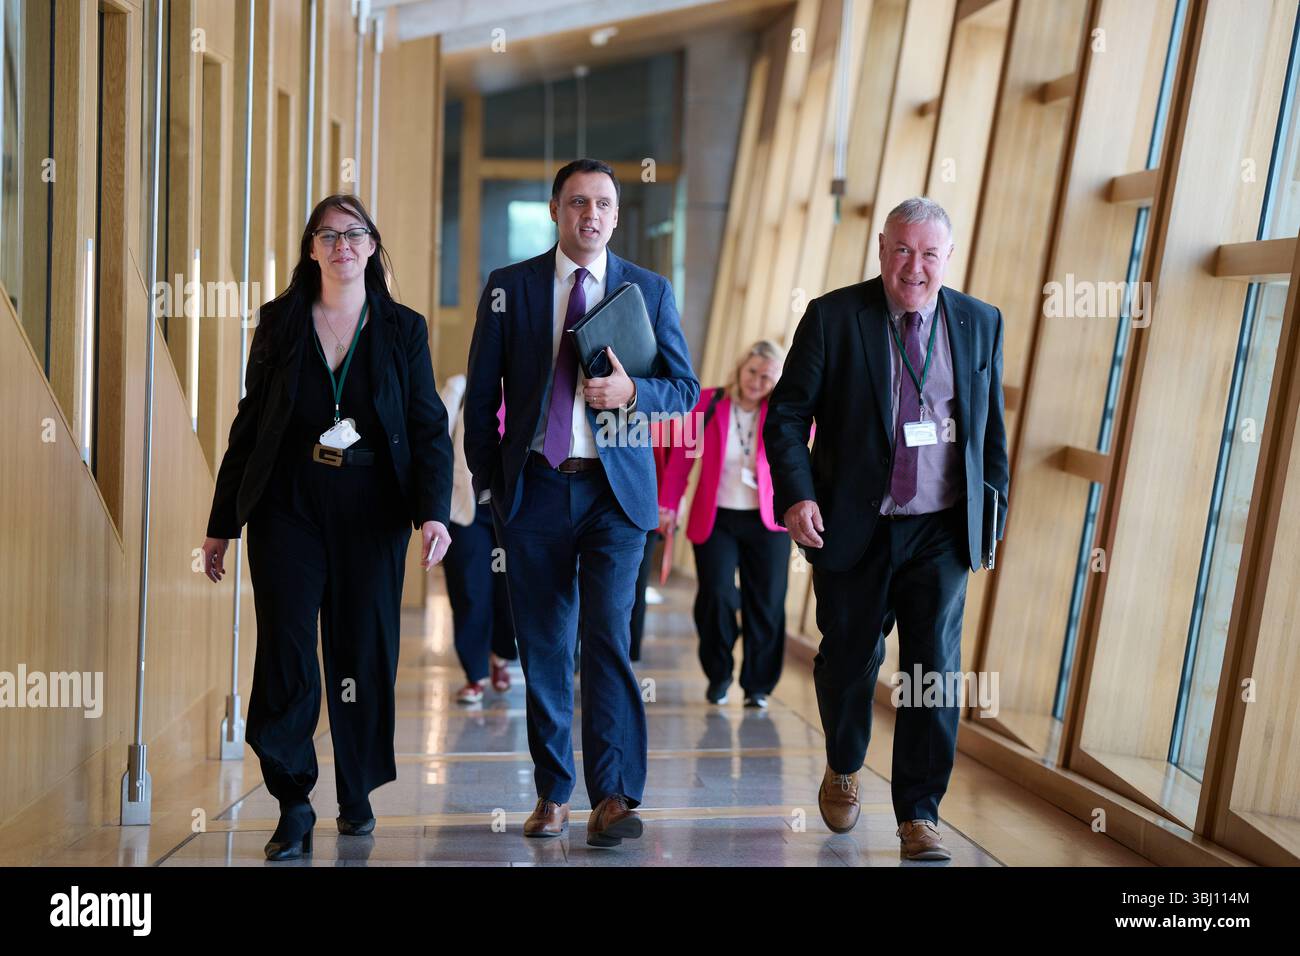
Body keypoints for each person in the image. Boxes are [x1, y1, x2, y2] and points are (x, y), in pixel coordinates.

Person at [199, 194, 454, 861]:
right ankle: (293, 799)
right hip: (289, 502)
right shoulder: (280, 322)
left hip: (373, 505)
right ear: (311, 247)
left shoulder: (403, 330)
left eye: (355, 234)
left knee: (362, 646)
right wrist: (222, 523)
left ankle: (358, 788)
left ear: (373, 246)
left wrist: (433, 511)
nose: (343, 245)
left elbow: (428, 426)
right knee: (286, 646)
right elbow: (249, 426)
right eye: (328, 234)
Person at [763, 196, 1008, 861]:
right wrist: (796, 497)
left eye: (929, 253)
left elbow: (990, 433)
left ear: (948, 257)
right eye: (903, 250)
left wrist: (993, 513)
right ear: (881, 249)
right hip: (854, 524)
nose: (915, 267)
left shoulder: (980, 323)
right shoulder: (835, 317)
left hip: (940, 529)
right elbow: (786, 417)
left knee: (934, 669)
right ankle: (844, 761)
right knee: (849, 658)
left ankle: (918, 816)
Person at [462, 158, 699, 847]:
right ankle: (552, 791)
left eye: (602, 204)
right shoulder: (511, 289)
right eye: (576, 203)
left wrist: (633, 395)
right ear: (555, 210)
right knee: (544, 647)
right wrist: (491, 488)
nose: (589, 215)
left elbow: (684, 391)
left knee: (607, 642)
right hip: (534, 488)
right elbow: (482, 399)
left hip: (615, 498)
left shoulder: (648, 290)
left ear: (616, 217)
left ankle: (615, 797)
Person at [659, 340, 789, 709]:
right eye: (752, 371)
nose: (756, 381)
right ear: (740, 368)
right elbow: (683, 456)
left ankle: (758, 686)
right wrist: (668, 503)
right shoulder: (709, 402)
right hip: (716, 517)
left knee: (766, 603)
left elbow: (804, 447)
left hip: (769, 520)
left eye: (767, 376)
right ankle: (719, 675)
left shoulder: (783, 410)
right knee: (715, 594)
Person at [438, 373, 517, 703]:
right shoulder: (461, 385)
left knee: (510, 592)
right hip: (467, 509)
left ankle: (500, 656)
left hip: (512, 510)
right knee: (470, 590)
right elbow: (434, 439)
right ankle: (475, 673)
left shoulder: (529, 379)